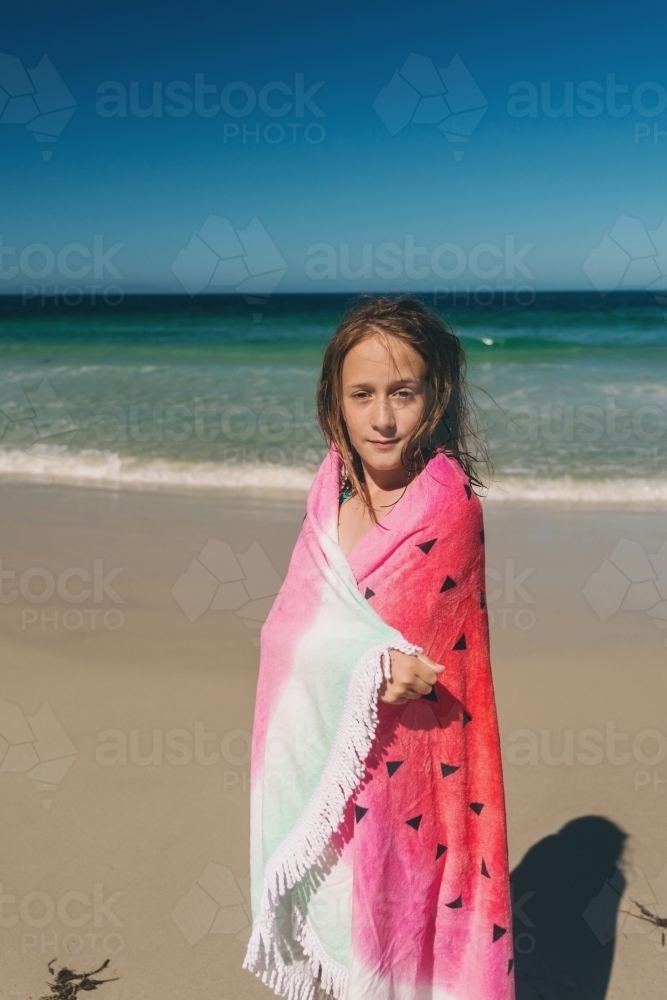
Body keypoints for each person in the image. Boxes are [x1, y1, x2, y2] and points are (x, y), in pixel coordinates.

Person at [244, 296, 514, 1000]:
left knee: (392, 920)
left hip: (412, 767)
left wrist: (387, 669)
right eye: (362, 395)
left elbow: (439, 668)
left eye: (402, 393)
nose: (383, 418)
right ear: (334, 401)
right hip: (329, 754)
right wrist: (361, 663)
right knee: (336, 907)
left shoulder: (448, 507)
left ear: (436, 395)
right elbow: (289, 628)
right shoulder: (327, 489)